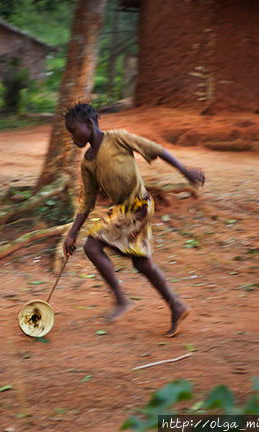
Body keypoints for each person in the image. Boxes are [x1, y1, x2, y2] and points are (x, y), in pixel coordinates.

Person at [62, 103, 205, 337]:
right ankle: (176, 305)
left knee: (93, 246)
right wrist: (71, 234)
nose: (72, 137)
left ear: (89, 124)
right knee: (141, 263)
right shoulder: (87, 161)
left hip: (138, 206)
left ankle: (121, 300)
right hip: (123, 210)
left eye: (73, 130)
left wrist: (185, 171)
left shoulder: (118, 138)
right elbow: (87, 201)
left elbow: (156, 149)